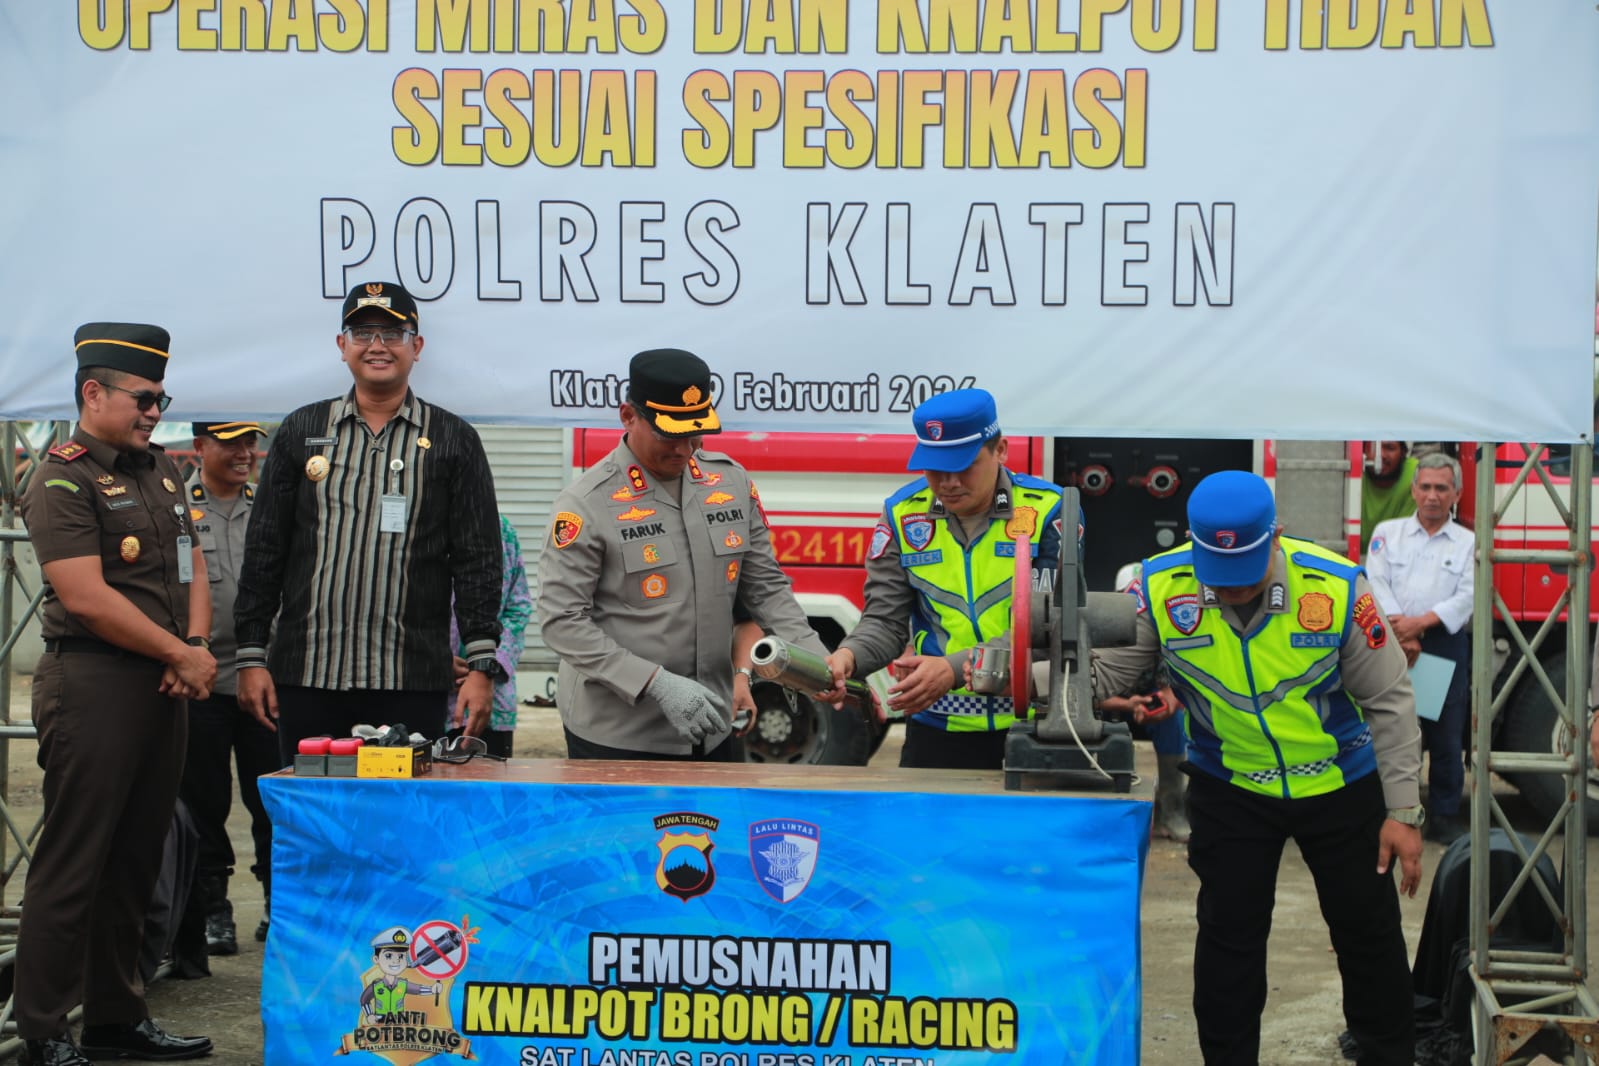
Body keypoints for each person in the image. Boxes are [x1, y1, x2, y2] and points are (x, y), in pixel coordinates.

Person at [1093, 469, 1423, 1066]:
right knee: (1228, 942)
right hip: (1231, 787)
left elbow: (1390, 700)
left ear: (1276, 537)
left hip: (1340, 784)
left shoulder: (1337, 588)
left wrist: (1403, 811)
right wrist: (981, 669)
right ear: (1192, 546)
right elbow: (1109, 670)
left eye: (1246, 574)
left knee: (1368, 936)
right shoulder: (1159, 587)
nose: (1232, 591)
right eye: (1219, 577)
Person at [15, 323, 215, 1065]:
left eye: (162, 399)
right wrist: (178, 652)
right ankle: (42, 1030)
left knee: (136, 859)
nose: (155, 412)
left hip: (164, 680)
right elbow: (85, 597)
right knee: (75, 861)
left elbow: (194, 566)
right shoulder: (60, 478)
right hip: (94, 681)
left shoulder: (160, 470)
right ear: (93, 393)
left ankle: (115, 1019)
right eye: (144, 398)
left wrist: (195, 647)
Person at [235, 282, 503, 760]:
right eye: (363, 333)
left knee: (401, 805)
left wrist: (482, 667)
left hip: (410, 680)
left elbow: (478, 559)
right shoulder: (301, 430)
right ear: (343, 346)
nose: (377, 345)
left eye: (392, 334)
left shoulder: (454, 439)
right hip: (308, 675)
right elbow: (265, 551)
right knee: (314, 804)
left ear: (417, 347)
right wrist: (251, 657)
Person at [536, 348, 830, 760]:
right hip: (618, 736)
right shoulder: (586, 504)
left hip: (714, 726)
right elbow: (561, 621)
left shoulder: (730, 483)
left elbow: (765, 588)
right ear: (628, 416)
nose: (684, 450)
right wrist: (655, 682)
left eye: (696, 435)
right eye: (669, 436)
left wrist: (819, 661)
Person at [825, 388, 1067, 770]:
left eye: (964, 465)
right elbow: (885, 620)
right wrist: (848, 656)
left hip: (1032, 725)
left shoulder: (1049, 510)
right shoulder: (902, 514)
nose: (949, 482)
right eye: (936, 468)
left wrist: (952, 669)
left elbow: (1046, 624)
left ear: (1001, 450)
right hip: (935, 731)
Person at [176, 419, 278, 956]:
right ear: (199, 447)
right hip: (204, 681)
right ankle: (213, 909)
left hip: (264, 680)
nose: (244, 453)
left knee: (272, 800)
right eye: (230, 442)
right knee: (204, 802)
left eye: (250, 442)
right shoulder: (175, 507)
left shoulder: (268, 508)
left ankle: (277, 903)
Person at [1365, 452, 1474, 845]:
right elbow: (1375, 582)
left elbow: (1468, 595)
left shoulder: (1469, 543)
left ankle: (1443, 816)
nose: (1432, 496)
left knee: (1445, 737)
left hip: (1443, 644)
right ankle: (1387, 811)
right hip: (1391, 640)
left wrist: (1420, 625)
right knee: (1391, 729)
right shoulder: (1387, 533)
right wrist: (1403, 630)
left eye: (1441, 488)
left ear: (1456, 493)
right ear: (1413, 490)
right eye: (1425, 487)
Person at [446, 514, 533, 758]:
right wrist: (434, 658)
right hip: (424, 696)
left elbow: (519, 608)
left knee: (486, 779)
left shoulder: (501, 531)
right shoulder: (417, 524)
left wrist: (485, 667)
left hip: (488, 701)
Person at [1360, 440, 1417, 551]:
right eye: (1373, 448)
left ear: (1403, 452)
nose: (1381, 455)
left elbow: (1402, 540)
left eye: (1389, 448)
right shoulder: (1350, 471)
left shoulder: (1417, 476)